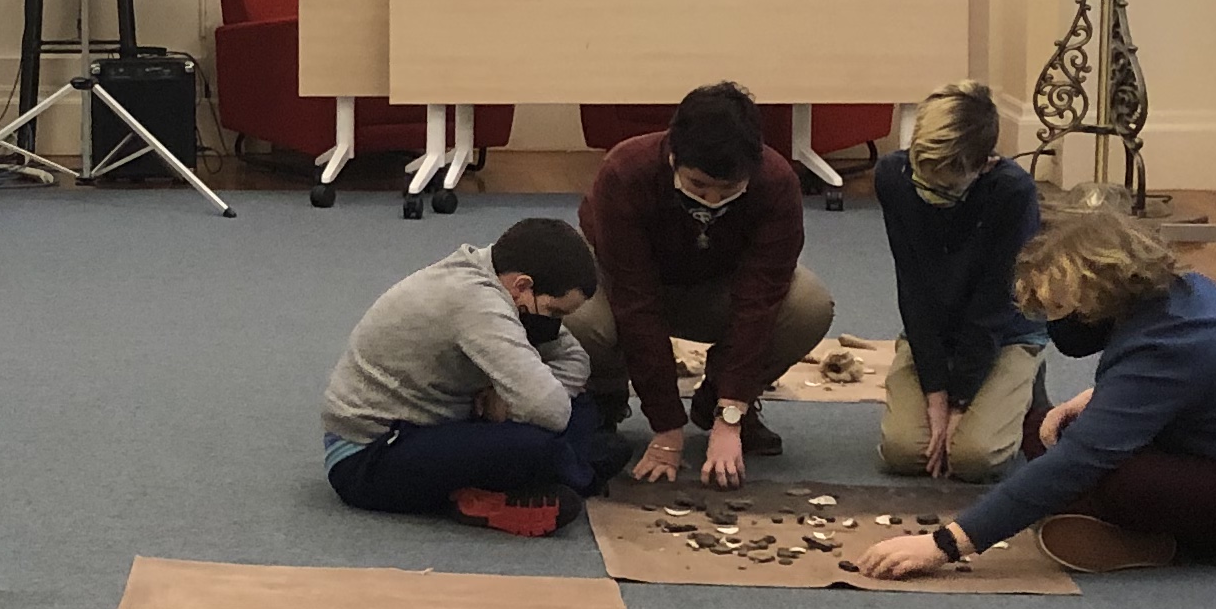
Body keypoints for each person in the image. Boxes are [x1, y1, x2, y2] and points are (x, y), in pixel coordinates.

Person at [850, 207, 1216, 578]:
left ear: (1103, 291)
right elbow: (1187, 390)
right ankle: (1098, 519)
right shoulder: (1177, 297)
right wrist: (1094, 400)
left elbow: (1089, 451)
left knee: (1102, 472)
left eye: (1065, 307)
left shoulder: (1175, 344)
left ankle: (1158, 542)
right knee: (1047, 431)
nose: (1059, 322)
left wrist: (944, 545)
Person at [566, 81, 841, 491]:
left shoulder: (777, 182)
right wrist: (666, 427)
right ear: (673, 156)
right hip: (626, 283)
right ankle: (605, 396)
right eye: (697, 186)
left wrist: (731, 410)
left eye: (728, 190)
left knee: (808, 305)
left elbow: (759, 300)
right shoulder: (625, 172)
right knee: (578, 317)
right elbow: (635, 302)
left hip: (718, 286)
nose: (712, 199)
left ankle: (716, 400)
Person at [320, 219, 613, 537]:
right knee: (542, 444)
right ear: (522, 286)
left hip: (441, 425)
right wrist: (517, 406)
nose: (555, 322)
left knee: (583, 406)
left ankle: (557, 474)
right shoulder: (476, 302)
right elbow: (550, 411)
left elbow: (575, 359)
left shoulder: (500, 279)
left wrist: (505, 399)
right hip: (369, 456)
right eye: (554, 312)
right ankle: (569, 474)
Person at [873, 81, 1047, 482]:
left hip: (1005, 330)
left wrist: (960, 403)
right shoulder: (893, 177)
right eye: (923, 181)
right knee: (904, 453)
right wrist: (935, 393)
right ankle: (972, 393)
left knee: (974, 459)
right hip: (935, 328)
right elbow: (912, 285)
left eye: (947, 188)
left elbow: (994, 303)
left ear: (985, 165)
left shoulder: (1012, 192)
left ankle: (1027, 383)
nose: (930, 195)